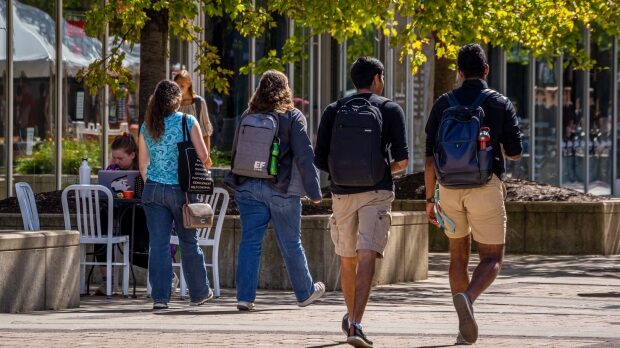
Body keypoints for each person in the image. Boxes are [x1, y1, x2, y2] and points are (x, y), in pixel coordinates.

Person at [424, 44, 522, 345]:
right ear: (486, 70)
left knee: (457, 257)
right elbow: (515, 153)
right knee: (492, 257)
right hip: (485, 186)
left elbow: (429, 158)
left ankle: (462, 326)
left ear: (459, 70)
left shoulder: (443, 103)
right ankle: (467, 298)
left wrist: (430, 199)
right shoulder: (499, 103)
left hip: (449, 189)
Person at [314, 57, 409, 348]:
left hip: (341, 193)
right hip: (376, 192)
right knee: (367, 254)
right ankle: (355, 323)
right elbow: (402, 161)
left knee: (347, 257)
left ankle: (351, 318)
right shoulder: (390, 108)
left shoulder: (334, 109)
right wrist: (380, 170)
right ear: (378, 78)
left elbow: (319, 158)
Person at [225, 70, 325, 312]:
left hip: (248, 186)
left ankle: (244, 297)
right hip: (282, 189)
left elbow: (237, 151)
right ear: (286, 89)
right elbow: (304, 157)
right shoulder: (293, 116)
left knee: (250, 242)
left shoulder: (248, 115)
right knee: (291, 242)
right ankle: (305, 292)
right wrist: (314, 191)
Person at [138, 80, 213, 310]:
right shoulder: (187, 121)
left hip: (153, 190)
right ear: (177, 101)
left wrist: (152, 182)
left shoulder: (146, 126)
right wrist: (206, 164)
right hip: (182, 191)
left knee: (158, 245)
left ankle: (160, 298)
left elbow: (143, 163)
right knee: (189, 242)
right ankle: (199, 293)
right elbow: (203, 155)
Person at [174, 70, 213, 162]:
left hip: (195, 152)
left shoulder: (199, 103)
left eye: (182, 85)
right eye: (176, 86)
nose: (179, 88)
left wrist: (206, 157)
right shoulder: (174, 104)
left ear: (189, 84)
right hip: (176, 153)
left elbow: (205, 132)